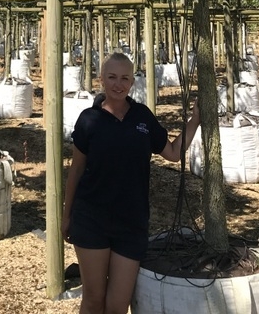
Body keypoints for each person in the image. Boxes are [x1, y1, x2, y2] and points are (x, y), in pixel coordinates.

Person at [62, 51, 201, 314]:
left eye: (125, 78)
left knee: (118, 305)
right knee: (93, 300)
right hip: (91, 218)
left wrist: (194, 121)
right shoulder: (89, 120)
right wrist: (66, 215)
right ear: (101, 79)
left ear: (132, 82)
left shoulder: (142, 117)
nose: (118, 84)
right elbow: (76, 170)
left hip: (132, 222)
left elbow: (171, 153)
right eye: (112, 77)